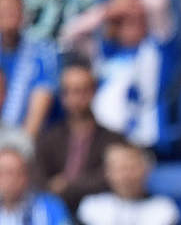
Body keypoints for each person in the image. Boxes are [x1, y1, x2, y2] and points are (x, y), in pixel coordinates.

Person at [90, 0, 175, 149]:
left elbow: (158, 2)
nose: (131, 27)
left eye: (137, 21)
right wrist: (107, 13)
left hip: (144, 137)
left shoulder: (157, 49)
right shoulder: (107, 52)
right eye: (124, 22)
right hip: (104, 138)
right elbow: (69, 35)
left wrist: (130, 4)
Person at [34, 63, 126, 213]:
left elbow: (109, 178)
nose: (77, 98)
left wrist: (68, 184)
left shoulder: (112, 139)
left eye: (83, 91)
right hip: (54, 212)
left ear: (93, 92)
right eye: (70, 92)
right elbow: (38, 179)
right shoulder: (48, 138)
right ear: (62, 96)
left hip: (98, 214)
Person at [76, 142, 179, 225]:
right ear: (107, 172)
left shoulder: (164, 209)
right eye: (120, 169)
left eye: (132, 168)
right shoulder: (91, 207)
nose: (126, 176)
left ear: (146, 169)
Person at [0, 0, 57, 140]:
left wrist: (21, 146)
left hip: (23, 142)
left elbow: (41, 100)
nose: (10, 16)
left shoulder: (42, 52)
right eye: (4, 10)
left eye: (14, 9)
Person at [0, 144, 73, 225]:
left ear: (25, 176)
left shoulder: (50, 207)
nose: (7, 180)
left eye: (11, 173)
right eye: (2, 173)